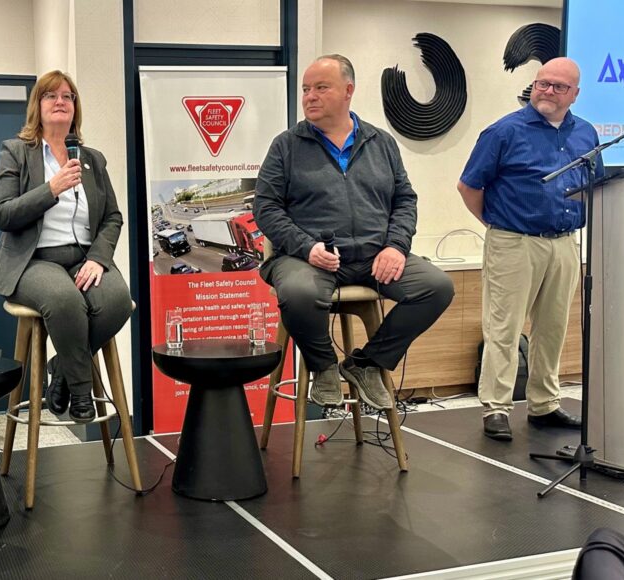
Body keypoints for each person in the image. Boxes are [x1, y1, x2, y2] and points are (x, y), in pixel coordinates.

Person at [254, 54, 454, 410]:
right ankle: (324, 367)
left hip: (375, 256)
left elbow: (404, 200)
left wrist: (395, 246)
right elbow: (266, 208)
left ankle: (366, 364)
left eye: (320, 87)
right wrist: (306, 247)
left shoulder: (382, 143)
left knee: (436, 287)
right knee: (298, 293)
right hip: (310, 259)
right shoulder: (286, 146)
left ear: (348, 90)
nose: (309, 96)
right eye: (305, 89)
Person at [458, 57, 598, 441]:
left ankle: (544, 405)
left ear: (575, 94)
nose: (548, 92)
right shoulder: (504, 132)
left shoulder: (585, 134)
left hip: (565, 243)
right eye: (542, 84)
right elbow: (469, 186)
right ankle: (497, 407)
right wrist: (496, 225)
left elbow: (596, 186)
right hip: (514, 242)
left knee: (552, 328)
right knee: (503, 327)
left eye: (558, 87)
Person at [0, 70, 131, 424]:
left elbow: (112, 217)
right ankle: (81, 391)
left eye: (68, 96)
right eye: (51, 96)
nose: (61, 101)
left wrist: (98, 258)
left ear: (74, 108)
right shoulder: (17, 152)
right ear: (38, 105)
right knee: (65, 301)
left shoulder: (92, 158)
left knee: (117, 302)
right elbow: (2, 214)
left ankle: (60, 370)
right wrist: (52, 188)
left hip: (84, 259)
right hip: (33, 260)